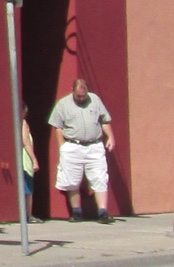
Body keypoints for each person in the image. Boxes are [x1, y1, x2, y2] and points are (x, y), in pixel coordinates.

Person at [48, 74, 120, 223]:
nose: (81, 98)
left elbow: (104, 120)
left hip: (94, 145)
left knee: (100, 177)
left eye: (84, 95)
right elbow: (58, 127)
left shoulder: (95, 100)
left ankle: (102, 212)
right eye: (78, 96)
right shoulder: (63, 104)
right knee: (72, 180)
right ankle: (76, 212)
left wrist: (111, 137)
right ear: (72, 90)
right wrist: (63, 147)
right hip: (73, 145)